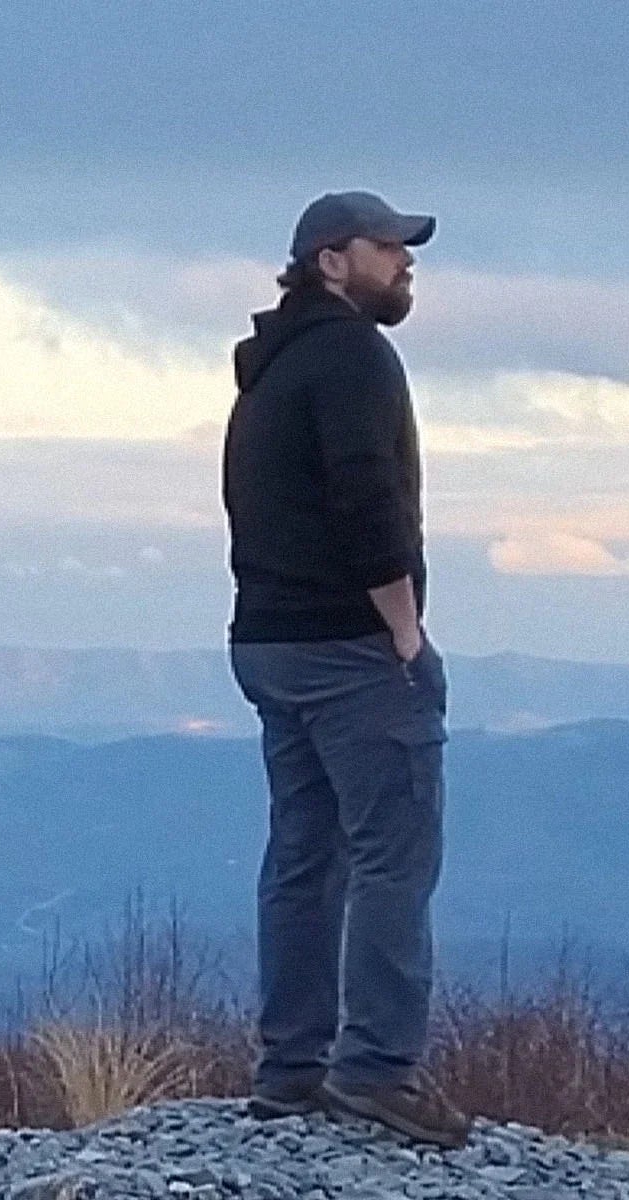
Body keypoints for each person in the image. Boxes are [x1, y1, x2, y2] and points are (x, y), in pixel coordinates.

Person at [221, 190, 469, 1147]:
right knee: (393, 861)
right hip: (350, 648)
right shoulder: (355, 356)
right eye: (389, 246)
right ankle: (375, 1070)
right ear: (333, 261)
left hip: (270, 641)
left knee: (302, 859)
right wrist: (402, 630)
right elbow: (369, 497)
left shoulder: (269, 368)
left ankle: (288, 1070)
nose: (407, 261)